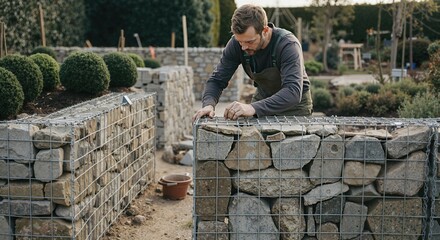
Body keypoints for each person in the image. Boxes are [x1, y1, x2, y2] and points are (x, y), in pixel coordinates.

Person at [192, 4, 312, 121]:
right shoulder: (236, 44)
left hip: (294, 107)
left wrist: (252, 108)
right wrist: (209, 104)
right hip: (263, 98)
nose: (243, 47)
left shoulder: (287, 45)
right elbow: (217, 80)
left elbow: (293, 92)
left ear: (264, 30)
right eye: (240, 42)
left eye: (249, 42)